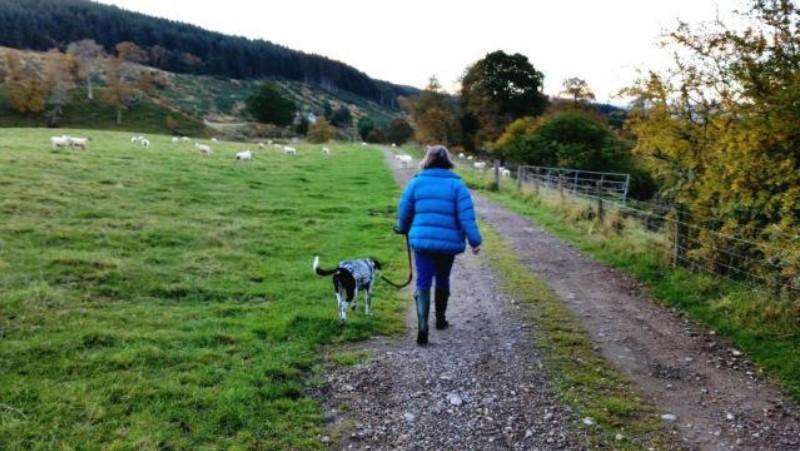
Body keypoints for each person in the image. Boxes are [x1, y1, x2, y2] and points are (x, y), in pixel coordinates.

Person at [394, 145, 482, 345]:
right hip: (447, 244)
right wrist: (475, 241)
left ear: (428, 160)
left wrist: (401, 228)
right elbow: (467, 217)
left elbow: (404, 211)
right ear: (448, 161)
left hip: (422, 242)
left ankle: (423, 326)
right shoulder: (458, 186)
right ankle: (440, 320)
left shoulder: (416, 182)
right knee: (443, 277)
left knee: (423, 281)